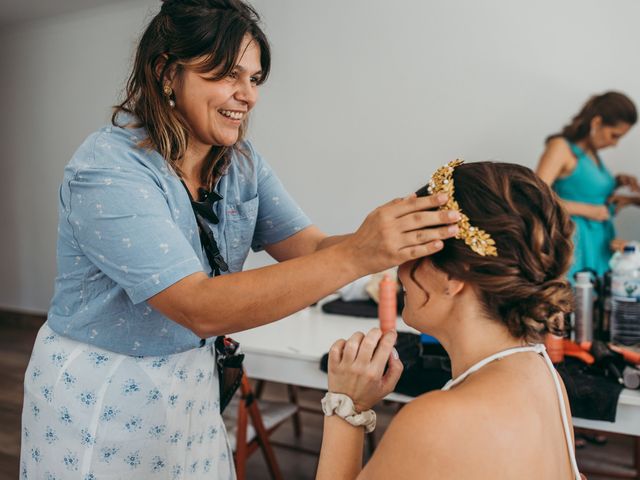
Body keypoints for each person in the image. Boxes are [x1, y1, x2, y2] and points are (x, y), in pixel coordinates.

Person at [19, 1, 460, 478]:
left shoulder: (241, 161)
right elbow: (198, 306)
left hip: (193, 382)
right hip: (104, 391)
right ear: (167, 72)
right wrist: (361, 252)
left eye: (254, 79)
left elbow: (310, 250)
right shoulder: (108, 169)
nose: (247, 95)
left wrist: (398, 236)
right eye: (228, 75)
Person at [316, 160, 584, 479]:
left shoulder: (438, 421)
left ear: (454, 275)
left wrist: (346, 406)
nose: (398, 267)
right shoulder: (544, 378)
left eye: (411, 249)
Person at [536, 91, 638, 279]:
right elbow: (535, 196)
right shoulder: (561, 147)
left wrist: (617, 185)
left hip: (600, 241)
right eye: (614, 135)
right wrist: (588, 210)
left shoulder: (592, 155)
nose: (615, 144)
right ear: (597, 123)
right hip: (576, 241)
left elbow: (582, 189)